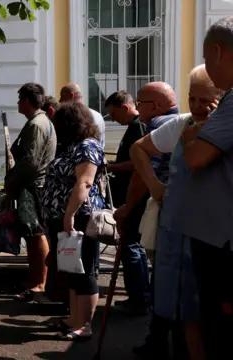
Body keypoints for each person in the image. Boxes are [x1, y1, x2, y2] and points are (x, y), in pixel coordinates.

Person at [131, 64, 221, 360]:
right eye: (192, 99)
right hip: (175, 231)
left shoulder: (226, 129)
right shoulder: (180, 124)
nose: (197, 107)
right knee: (171, 298)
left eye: (206, 100)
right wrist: (155, 186)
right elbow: (138, 149)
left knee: (204, 308)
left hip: (212, 234)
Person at [113, 82, 181, 360]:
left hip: (162, 211)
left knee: (163, 277)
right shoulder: (182, 121)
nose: (137, 107)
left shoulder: (160, 126)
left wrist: (128, 207)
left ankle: (158, 341)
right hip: (182, 212)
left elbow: (142, 174)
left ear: (156, 105)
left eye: (140, 102)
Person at [180, 16, 233, 360]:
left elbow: (197, 157)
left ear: (216, 51)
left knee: (221, 328)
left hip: (223, 242)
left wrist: (189, 138)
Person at [41, 102, 104, 341]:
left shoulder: (88, 146)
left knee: (85, 270)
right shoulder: (74, 146)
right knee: (72, 269)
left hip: (80, 216)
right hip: (66, 217)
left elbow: (84, 183)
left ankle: (84, 325)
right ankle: (74, 318)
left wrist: (69, 215)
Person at [4, 83, 56, 303]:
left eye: (19, 99)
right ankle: (36, 280)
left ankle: (40, 283)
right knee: (32, 233)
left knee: (36, 234)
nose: (17, 103)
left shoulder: (36, 124)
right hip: (34, 184)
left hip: (34, 185)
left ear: (26, 100)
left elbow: (31, 161)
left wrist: (12, 180)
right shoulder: (41, 122)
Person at [104, 91, 150, 315]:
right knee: (134, 246)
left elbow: (136, 163)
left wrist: (112, 167)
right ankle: (140, 296)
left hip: (134, 196)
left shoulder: (138, 127)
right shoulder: (134, 127)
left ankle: (139, 298)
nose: (113, 119)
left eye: (113, 114)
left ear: (124, 108)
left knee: (130, 246)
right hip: (130, 194)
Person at [59, 83, 106, 148]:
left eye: (62, 96)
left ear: (71, 95)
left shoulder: (71, 117)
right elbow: (101, 143)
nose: (60, 100)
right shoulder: (98, 115)